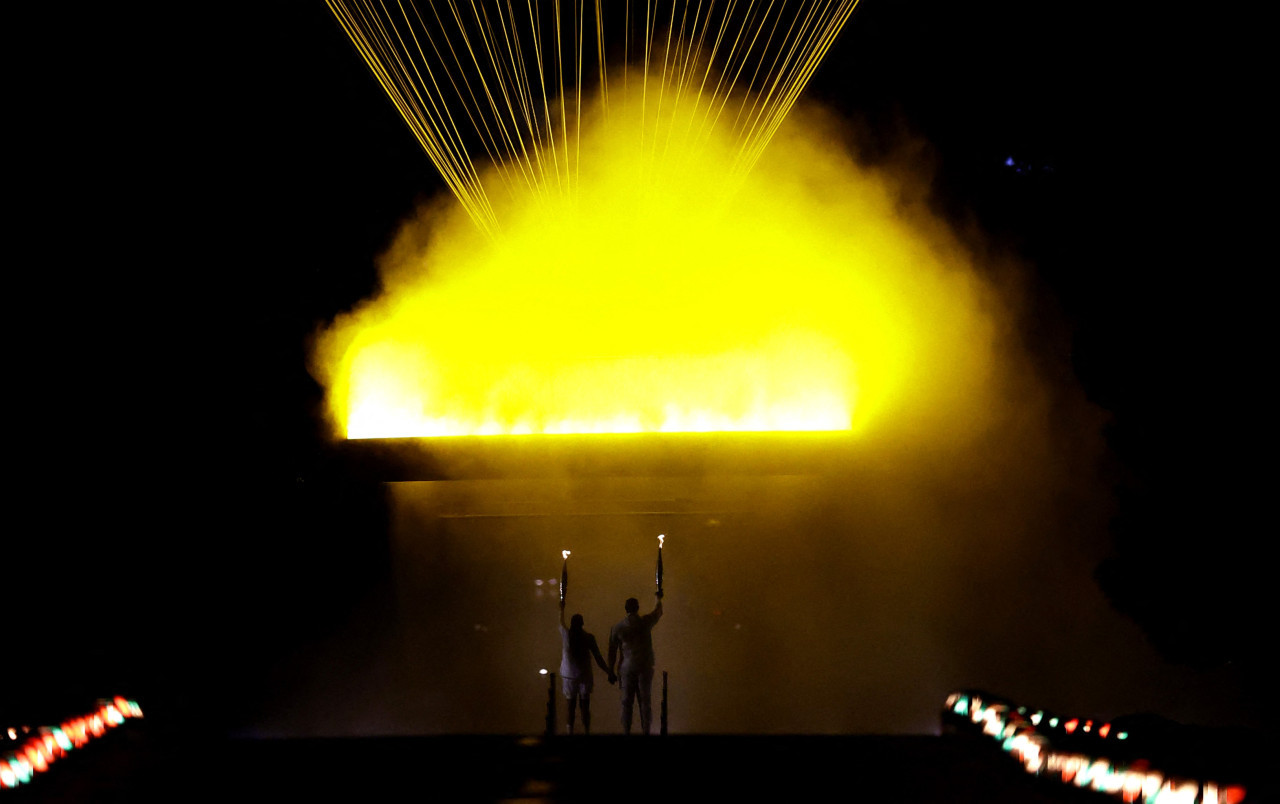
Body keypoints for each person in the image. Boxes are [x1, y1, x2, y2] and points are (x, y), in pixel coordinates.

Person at [607, 592, 663, 735]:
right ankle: (646, 731)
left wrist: (610, 671)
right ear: (637, 608)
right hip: (644, 666)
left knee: (626, 702)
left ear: (625, 609)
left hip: (627, 667)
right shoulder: (644, 622)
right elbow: (658, 612)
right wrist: (658, 598)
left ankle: (627, 731)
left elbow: (612, 652)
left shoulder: (617, 627)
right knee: (645, 701)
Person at [559, 601, 614, 734]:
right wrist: (609, 672)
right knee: (584, 707)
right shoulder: (588, 637)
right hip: (584, 675)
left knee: (571, 707)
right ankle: (586, 732)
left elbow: (561, 622)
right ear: (582, 624)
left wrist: (561, 608)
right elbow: (598, 658)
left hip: (569, 676)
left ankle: (570, 732)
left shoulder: (567, 636)